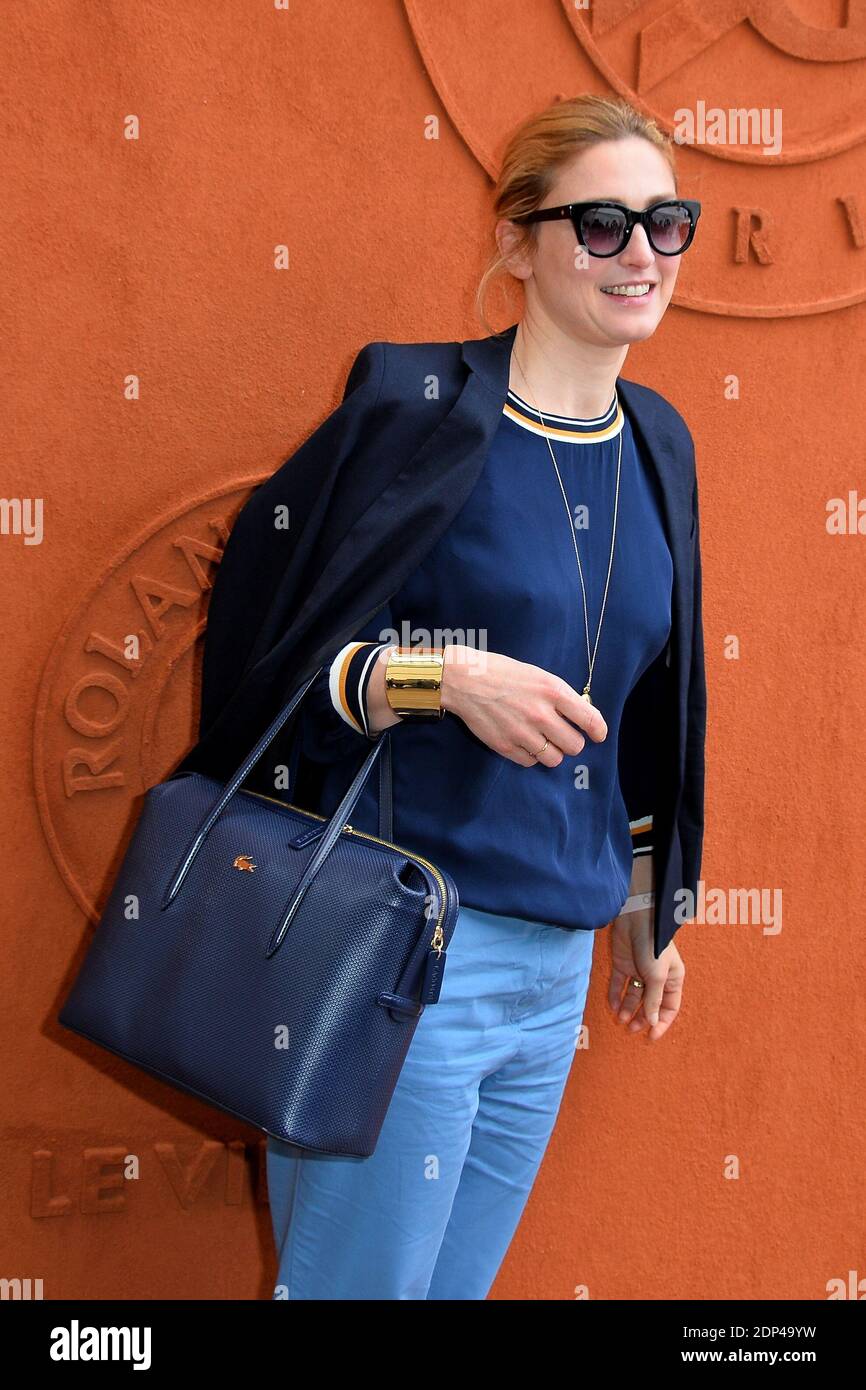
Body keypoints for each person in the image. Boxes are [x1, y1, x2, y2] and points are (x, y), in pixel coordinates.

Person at [196, 93, 707, 1299]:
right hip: (405, 948)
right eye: (598, 224)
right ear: (519, 238)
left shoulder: (659, 442)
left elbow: (644, 697)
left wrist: (646, 895)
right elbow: (263, 654)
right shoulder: (414, 408)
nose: (638, 253)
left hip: (555, 967)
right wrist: (441, 676)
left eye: (664, 222)